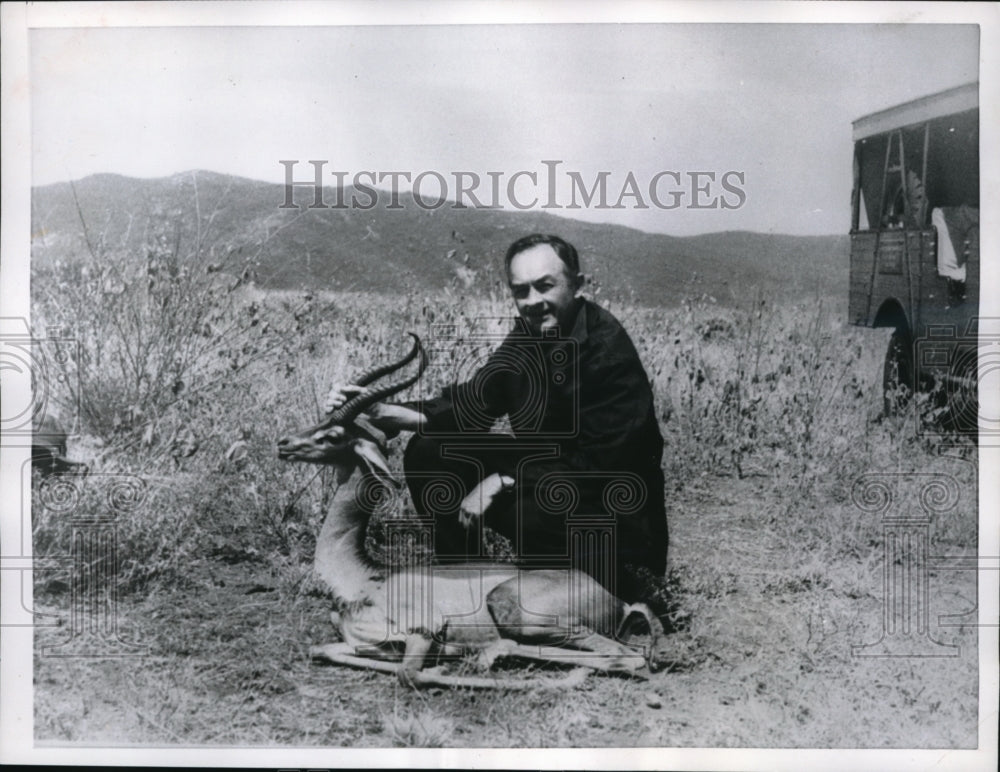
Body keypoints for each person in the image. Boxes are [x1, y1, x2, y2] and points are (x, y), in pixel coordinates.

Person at [325, 234, 667, 601]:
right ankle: (466, 584)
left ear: (578, 286)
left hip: (613, 516)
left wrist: (502, 481)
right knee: (431, 452)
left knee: (531, 507)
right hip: (550, 476)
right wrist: (383, 410)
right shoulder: (528, 336)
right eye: (522, 291)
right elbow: (473, 405)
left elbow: (604, 465)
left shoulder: (607, 351)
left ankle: (611, 589)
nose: (533, 302)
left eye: (545, 286)